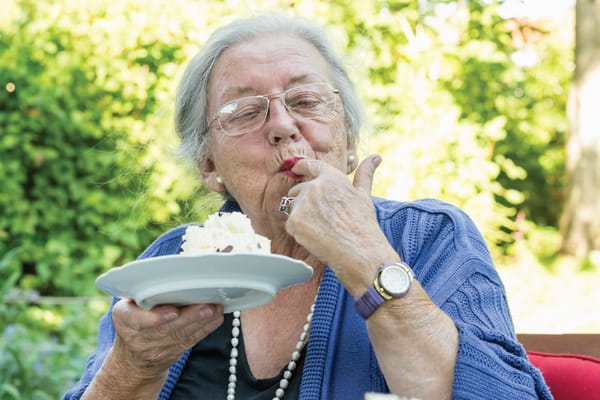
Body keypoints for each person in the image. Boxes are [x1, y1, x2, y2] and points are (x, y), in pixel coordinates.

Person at [64, 14, 552, 400]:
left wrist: (366, 256)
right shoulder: (169, 268)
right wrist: (133, 367)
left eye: (307, 100)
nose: (282, 125)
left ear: (348, 137)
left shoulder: (430, 238)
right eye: (246, 111)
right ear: (209, 165)